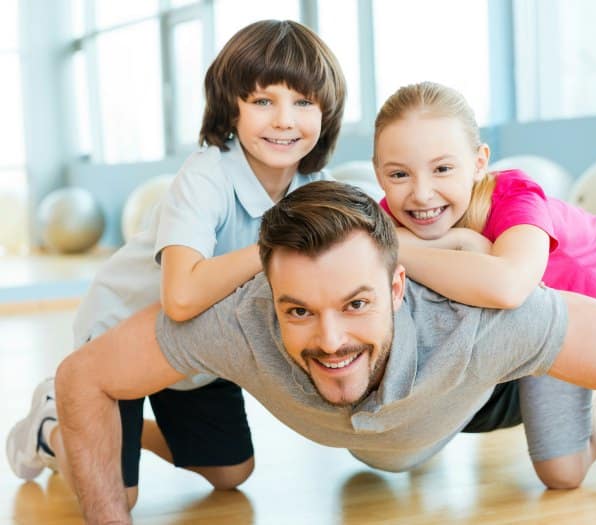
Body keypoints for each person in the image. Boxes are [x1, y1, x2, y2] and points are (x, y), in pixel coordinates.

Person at [11, 181, 596, 524]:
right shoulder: (241, 318)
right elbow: (84, 376)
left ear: (399, 284)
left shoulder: (482, 321)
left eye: (357, 303)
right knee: (228, 472)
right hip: (395, 433)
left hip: (470, 395)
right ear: (267, 293)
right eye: (300, 311)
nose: (331, 338)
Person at [5, 19, 346, 507]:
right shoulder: (207, 174)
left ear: (326, 111)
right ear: (233, 107)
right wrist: (276, 245)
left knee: (232, 472)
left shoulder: (314, 186)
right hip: (120, 335)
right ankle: (51, 429)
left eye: (303, 102)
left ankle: (114, 432)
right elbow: (181, 297)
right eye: (263, 101)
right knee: (121, 496)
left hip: (195, 352)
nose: (284, 119)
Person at [372, 81, 596, 489]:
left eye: (442, 168)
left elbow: (510, 287)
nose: (422, 194)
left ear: (479, 163)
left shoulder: (514, 195)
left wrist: (411, 248)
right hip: (551, 321)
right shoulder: (387, 216)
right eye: (399, 174)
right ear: (378, 173)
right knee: (560, 475)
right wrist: (460, 243)